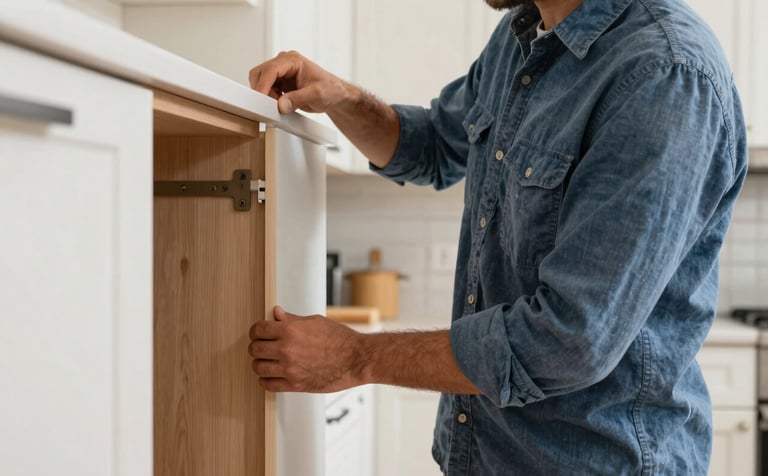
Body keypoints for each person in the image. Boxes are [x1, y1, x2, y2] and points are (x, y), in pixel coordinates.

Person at [247, 0, 748, 473]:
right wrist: (342, 98)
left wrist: (357, 357)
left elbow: (569, 339)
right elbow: (433, 147)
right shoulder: (520, 39)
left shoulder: (664, 75)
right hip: (483, 456)